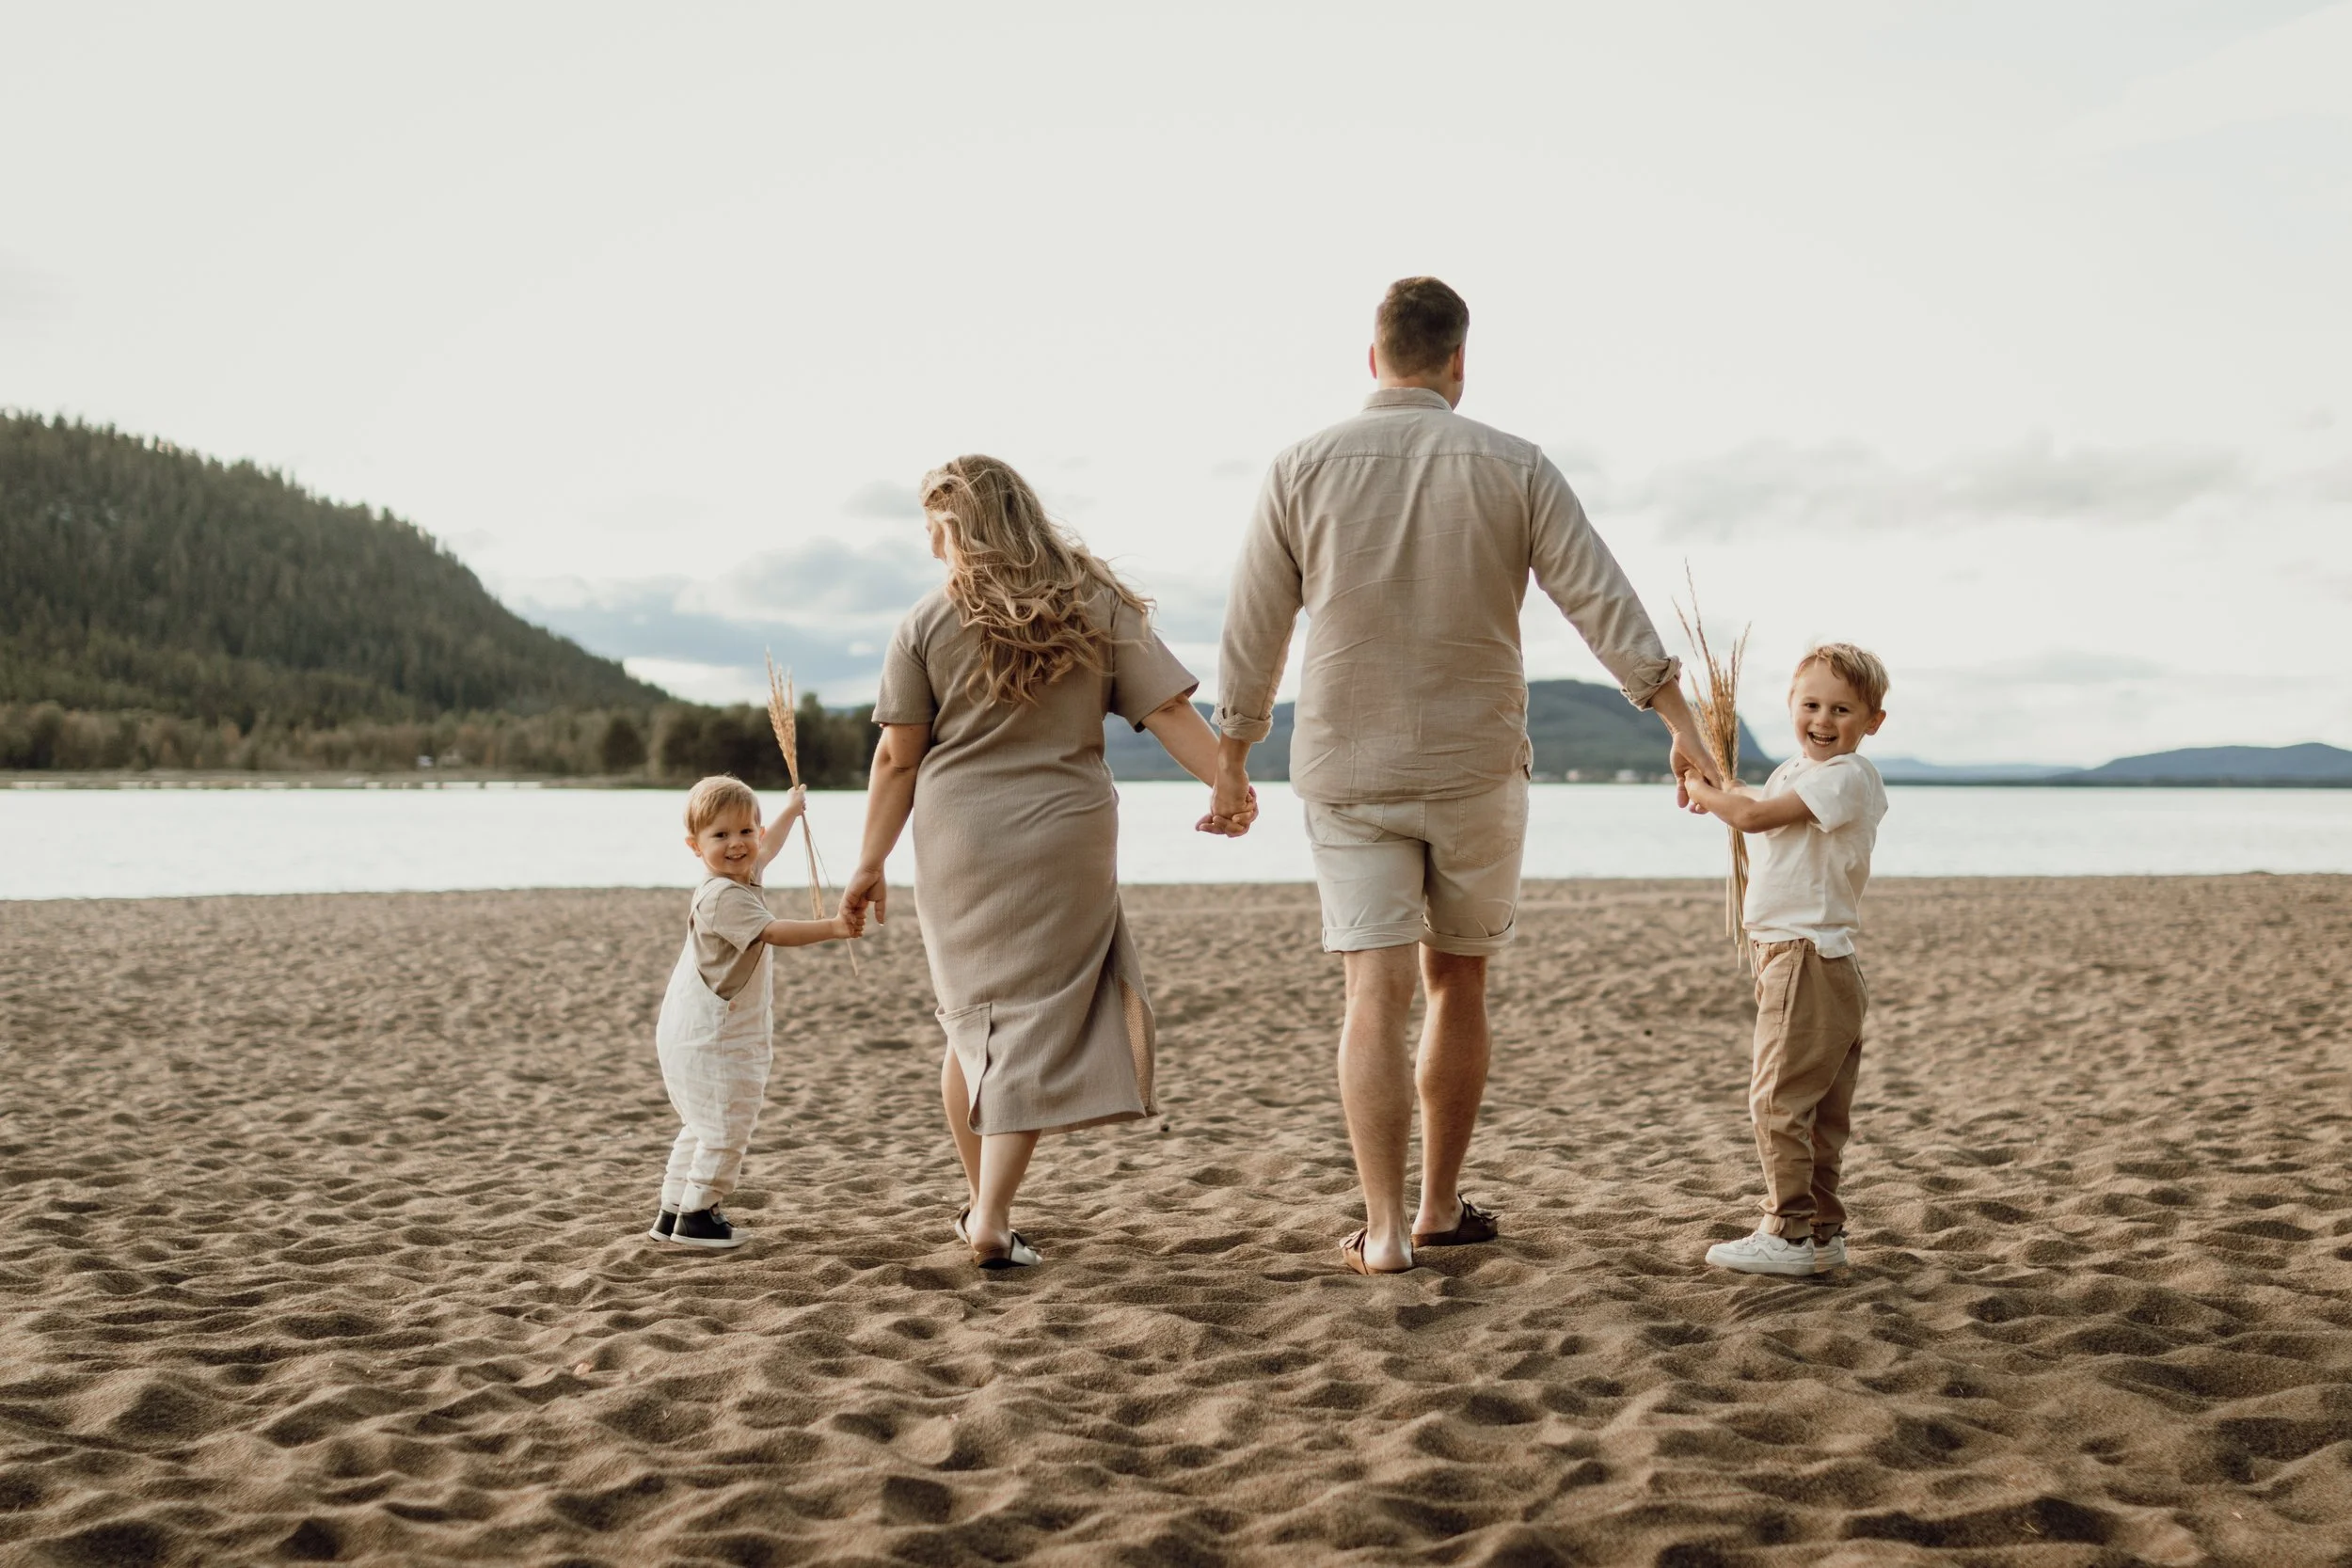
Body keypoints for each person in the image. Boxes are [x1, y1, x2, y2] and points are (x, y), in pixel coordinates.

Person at [1214, 277, 1720, 1275]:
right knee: (1456, 979)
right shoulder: (1514, 463)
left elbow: (1253, 625)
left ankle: (1384, 1228)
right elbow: (1601, 599)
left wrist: (1232, 755)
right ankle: (1440, 1204)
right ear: (1458, 361)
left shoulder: (1298, 467)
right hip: (1475, 767)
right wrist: (1680, 720)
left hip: (1348, 766)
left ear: (1373, 358)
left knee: (1372, 992)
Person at [843, 455, 1251, 1271]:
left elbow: (896, 758)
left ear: (960, 528)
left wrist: (869, 860)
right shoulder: (1094, 602)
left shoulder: (926, 621)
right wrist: (1227, 783)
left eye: (934, 529)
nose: (930, 547)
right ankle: (989, 1213)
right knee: (1028, 1023)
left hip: (960, 841)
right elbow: (1169, 709)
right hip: (1067, 836)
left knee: (973, 1023)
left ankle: (986, 1210)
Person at [1682, 644, 1889, 1276]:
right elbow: (1750, 801)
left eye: (1842, 710)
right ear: (1791, 706)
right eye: (1811, 705)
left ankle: (1788, 1230)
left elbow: (1751, 816)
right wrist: (1717, 785)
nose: (1823, 720)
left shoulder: (1847, 776)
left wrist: (1700, 790)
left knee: (1776, 1101)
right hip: (1807, 958)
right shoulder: (1798, 772)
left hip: (1806, 957)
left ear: (1873, 721)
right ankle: (1822, 1231)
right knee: (1817, 1110)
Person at [650, 776, 864, 1250]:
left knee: (702, 1125)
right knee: (726, 1122)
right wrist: (833, 927)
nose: (737, 844)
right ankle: (698, 1216)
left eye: (746, 831)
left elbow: (771, 846)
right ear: (695, 846)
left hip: (696, 1024)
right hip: (712, 1032)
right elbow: (774, 931)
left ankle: (673, 1210)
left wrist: (791, 808)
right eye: (720, 835)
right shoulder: (722, 895)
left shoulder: (741, 875)